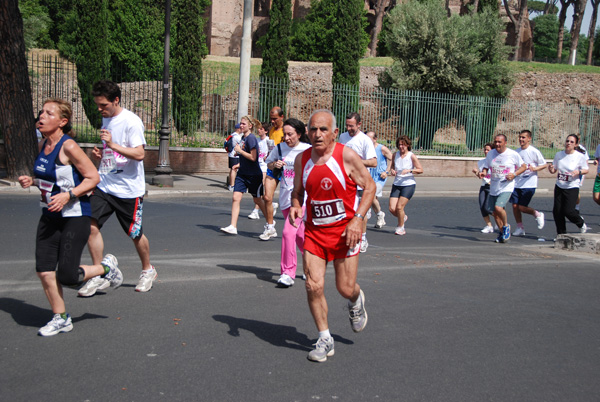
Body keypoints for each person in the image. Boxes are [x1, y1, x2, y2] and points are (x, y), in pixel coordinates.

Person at [18, 98, 122, 336]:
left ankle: (106, 268)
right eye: (41, 112)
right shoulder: (43, 143)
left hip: (76, 215)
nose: (41, 117)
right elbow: (53, 178)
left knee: (67, 275)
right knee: (44, 271)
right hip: (50, 215)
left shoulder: (69, 146)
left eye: (48, 113)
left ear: (62, 122)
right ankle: (61, 317)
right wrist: (32, 181)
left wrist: (69, 195)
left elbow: (93, 178)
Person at [289, 109, 375, 362]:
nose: (317, 134)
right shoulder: (301, 159)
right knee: (312, 285)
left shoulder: (346, 156)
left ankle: (356, 298)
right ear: (307, 131)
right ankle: (325, 338)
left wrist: (358, 220)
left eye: (323, 129)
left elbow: (369, 186)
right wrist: (296, 204)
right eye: (313, 129)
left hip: (345, 234)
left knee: (344, 287)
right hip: (315, 234)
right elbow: (298, 191)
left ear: (334, 133)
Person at [77, 80, 156, 297]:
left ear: (116, 100)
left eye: (103, 105)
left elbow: (139, 154)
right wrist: (103, 155)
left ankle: (148, 270)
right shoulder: (106, 119)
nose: (100, 109)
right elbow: (115, 152)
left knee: (135, 233)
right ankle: (99, 274)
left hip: (129, 190)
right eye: (98, 105)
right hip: (105, 184)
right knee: (90, 226)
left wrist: (112, 145)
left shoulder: (132, 122)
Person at [265, 118, 311, 287]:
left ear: (299, 134)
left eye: (290, 134)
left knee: (287, 233)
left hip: (301, 199)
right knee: (300, 236)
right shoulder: (279, 148)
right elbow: (267, 162)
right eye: (285, 134)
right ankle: (311, 268)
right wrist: (274, 164)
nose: (287, 137)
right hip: (285, 197)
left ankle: (287, 273)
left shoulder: (308, 149)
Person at [220, 116, 272, 238]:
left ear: (250, 126)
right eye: (240, 124)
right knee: (235, 197)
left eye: (243, 124)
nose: (241, 126)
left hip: (254, 175)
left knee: (258, 200)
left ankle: (270, 223)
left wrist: (240, 151)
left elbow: (253, 158)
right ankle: (233, 226)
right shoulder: (243, 138)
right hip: (242, 174)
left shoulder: (251, 139)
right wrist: (239, 164)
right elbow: (246, 157)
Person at [338, 112, 376, 252]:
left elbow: (374, 162)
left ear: (359, 124)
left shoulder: (365, 140)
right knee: (345, 210)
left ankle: (363, 237)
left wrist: (357, 162)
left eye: (352, 126)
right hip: (345, 181)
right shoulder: (342, 137)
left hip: (360, 181)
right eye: (347, 125)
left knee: (361, 212)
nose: (349, 128)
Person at [479, 134, 527, 243]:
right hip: (494, 186)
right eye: (495, 142)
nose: (497, 144)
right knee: (493, 212)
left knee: (498, 207)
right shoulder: (491, 153)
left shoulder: (512, 154)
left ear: (505, 143)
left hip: (507, 185)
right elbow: (486, 166)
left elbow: (524, 166)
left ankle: (506, 226)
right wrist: (484, 173)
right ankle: (502, 233)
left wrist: (514, 174)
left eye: (499, 142)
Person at [548, 134, 589, 235]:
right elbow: (554, 170)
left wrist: (578, 172)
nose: (568, 143)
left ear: (575, 145)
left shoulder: (579, 156)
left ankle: (581, 223)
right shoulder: (559, 155)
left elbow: (586, 169)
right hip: (559, 186)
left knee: (568, 211)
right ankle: (561, 234)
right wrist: (551, 169)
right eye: (567, 141)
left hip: (572, 187)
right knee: (557, 212)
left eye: (571, 142)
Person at [510, 130, 547, 236]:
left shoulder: (533, 151)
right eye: (520, 137)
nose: (521, 139)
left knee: (522, 207)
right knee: (515, 206)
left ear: (529, 139)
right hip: (517, 182)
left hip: (529, 183)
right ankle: (520, 227)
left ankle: (537, 214)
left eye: (523, 137)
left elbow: (544, 164)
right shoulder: (516, 152)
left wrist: (534, 168)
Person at [388, 135, 423, 235]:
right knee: (391, 208)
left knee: (399, 207)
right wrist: (392, 171)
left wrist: (409, 170)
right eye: (399, 145)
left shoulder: (411, 156)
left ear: (407, 145)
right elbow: (393, 166)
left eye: (403, 145)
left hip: (408, 184)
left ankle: (400, 227)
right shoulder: (395, 155)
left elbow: (420, 169)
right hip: (397, 183)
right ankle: (403, 216)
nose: (401, 147)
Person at [262, 107, 285, 228]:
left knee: (291, 201)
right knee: (266, 197)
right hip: (273, 166)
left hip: (286, 167)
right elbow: (271, 147)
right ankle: (270, 227)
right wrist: (268, 156)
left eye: (275, 119)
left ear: (282, 117)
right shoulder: (271, 130)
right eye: (271, 119)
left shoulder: (286, 131)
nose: (272, 121)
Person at [366, 131, 393, 229]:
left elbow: (392, 158)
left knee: (371, 196)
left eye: (370, 138)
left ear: (375, 139)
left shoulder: (381, 148)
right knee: (373, 199)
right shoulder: (366, 148)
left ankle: (370, 212)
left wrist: (387, 171)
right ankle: (380, 215)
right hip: (368, 176)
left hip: (379, 177)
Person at [248, 122, 270, 220]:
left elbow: (272, 151)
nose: (259, 130)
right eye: (258, 129)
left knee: (260, 186)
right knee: (258, 188)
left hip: (265, 166)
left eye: (261, 129)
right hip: (257, 166)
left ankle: (256, 211)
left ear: (266, 131)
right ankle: (269, 203)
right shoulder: (256, 141)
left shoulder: (269, 141)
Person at [472, 143, 495, 233]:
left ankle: (500, 219)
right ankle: (489, 226)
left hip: (492, 187)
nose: (486, 151)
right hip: (484, 186)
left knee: (487, 208)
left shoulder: (495, 161)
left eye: (488, 150)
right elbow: (481, 176)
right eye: (485, 150)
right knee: (482, 206)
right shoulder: (481, 162)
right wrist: (477, 172)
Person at [227, 123, 242, 192]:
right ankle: (232, 185)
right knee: (234, 169)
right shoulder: (237, 137)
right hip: (235, 155)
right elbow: (242, 144)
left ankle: (230, 184)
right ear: (238, 129)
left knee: (232, 169)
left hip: (231, 155)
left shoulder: (232, 135)